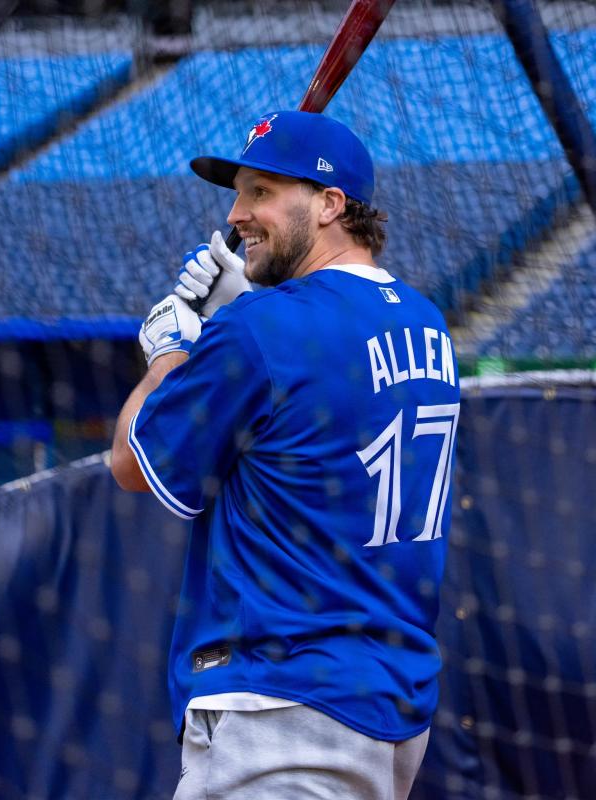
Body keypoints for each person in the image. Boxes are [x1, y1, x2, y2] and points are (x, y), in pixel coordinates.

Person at [111, 110, 460, 800]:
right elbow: (316, 382)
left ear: (331, 203)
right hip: (389, 699)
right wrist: (240, 324)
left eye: (263, 192)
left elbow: (131, 464)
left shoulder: (262, 328)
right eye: (240, 192)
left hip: (281, 701)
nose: (238, 213)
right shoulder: (425, 318)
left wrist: (170, 352)